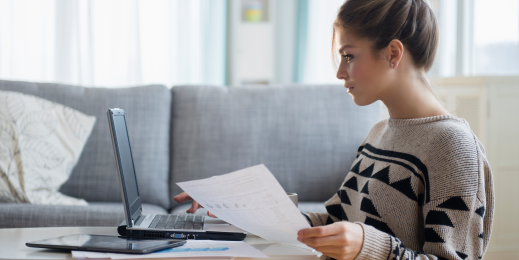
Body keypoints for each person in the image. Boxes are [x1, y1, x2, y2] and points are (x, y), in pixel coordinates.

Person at [175, 0, 494, 259]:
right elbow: (334, 221)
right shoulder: (379, 133)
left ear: (393, 54)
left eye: (349, 56)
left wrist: (368, 245)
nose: (341, 72)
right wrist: (234, 206)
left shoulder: (453, 147)